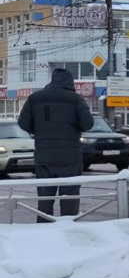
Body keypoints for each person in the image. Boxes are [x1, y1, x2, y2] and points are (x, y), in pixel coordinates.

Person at [18, 68, 94, 223]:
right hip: (70, 157)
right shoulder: (76, 99)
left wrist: (39, 131)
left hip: (44, 155)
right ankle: (67, 228)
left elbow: (23, 123)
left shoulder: (34, 98)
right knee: (70, 197)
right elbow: (87, 124)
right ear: (70, 82)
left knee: (45, 198)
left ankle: (44, 228)